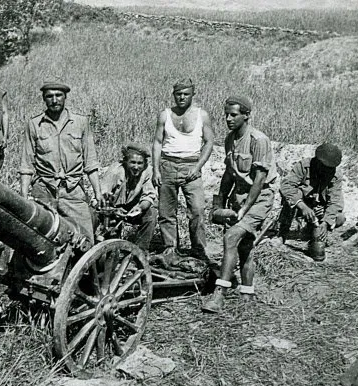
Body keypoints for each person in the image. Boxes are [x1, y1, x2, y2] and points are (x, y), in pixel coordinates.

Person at [202, 95, 277, 313]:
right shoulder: (229, 139)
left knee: (231, 237)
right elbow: (228, 174)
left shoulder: (258, 140)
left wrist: (244, 210)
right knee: (244, 247)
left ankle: (220, 294)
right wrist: (219, 203)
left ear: (246, 115)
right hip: (239, 196)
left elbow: (260, 181)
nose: (228, 118)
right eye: (226, 114)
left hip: (260, 198)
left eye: (233, 115)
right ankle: (247, 293)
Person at [20, 81, 102, 246]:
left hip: (73, 191)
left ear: (65, 97)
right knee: (37, 241)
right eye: (49, 96)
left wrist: (98, 193)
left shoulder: (80, 123)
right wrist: (23, 196)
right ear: (44, 99)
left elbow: (90, 163)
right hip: (44, 191)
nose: (54, 100)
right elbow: (26, 165)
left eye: (58, 95)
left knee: (86, 241)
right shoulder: (34, 125)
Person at [151, 78, 215, 261]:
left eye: (186, 94)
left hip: (191, 166)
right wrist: (155, 170)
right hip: (168, 164)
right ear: (173, 95)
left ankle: (199, 249)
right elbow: (157, 142)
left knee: (197, 210)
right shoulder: (165, 115)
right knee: (166, 212)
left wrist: (197, 167)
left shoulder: (202, 115)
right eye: (178, 94)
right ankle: (170, 248)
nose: (182, 97)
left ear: (193, 94)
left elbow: (209, 141)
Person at [278, 142, 346, 261]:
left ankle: (312, 233)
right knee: (293, 195)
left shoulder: (335, 175)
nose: (328, 170)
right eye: (325, 167)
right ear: (318, 162)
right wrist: (302, 206)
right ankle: (282, 233)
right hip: (301, 207)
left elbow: (335, 201)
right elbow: (286, 186)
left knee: (339, 218)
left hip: (320, 210)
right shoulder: (303, 166)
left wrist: (326, 222)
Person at [99, 143, 158, 251]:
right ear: (125, 162)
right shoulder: (115, 171)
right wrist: (113, 210)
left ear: (145, 164)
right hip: (113, 209)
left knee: (151, 214)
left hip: (133, 208)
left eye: (140, 163)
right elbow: (100, 197)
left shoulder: (148, 171)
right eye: (133, 162)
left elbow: (149, 195)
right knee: (111, 244)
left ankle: (140, 252)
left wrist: (140, 208)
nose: (136, 167)